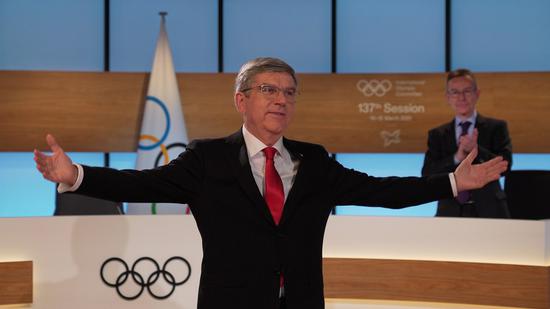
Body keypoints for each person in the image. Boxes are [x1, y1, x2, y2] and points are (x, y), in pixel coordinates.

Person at [35, 58, 508, 309]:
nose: (280, 100)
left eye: (288, 92)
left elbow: (382, 191)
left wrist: (449, 181)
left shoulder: (315, 160)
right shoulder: (207, 157)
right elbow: (142, 184)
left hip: (302, 301)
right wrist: (75, 175)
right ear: (240, 100)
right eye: (268, 90)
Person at [422, 68, 512, 218]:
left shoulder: (496, 127)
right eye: (455, 92)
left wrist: (476, 149)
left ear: (477, 94)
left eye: (467, 91)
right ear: (448, 97)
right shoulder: (437, 134)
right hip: (449, 211)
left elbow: (505, 167)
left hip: (491, 210)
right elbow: (427, 173)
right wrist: (457, 157)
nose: (461, 97)